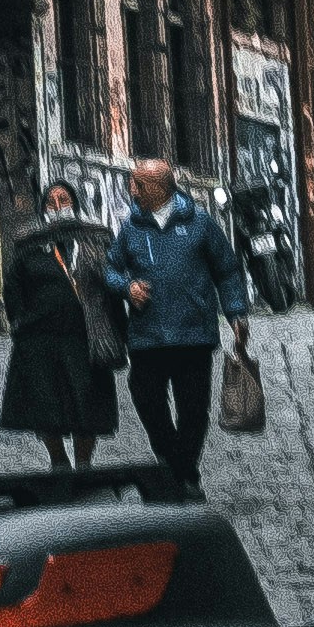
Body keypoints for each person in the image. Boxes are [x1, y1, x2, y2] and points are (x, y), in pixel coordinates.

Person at [103, 146, 249, 491]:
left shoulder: (199, 223)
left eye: (137, 184)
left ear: (158, 188)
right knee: (147, 401)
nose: (132, 191)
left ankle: (182, 474)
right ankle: (173, 464)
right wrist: (126, 287)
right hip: (147, 336)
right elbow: (110, 268)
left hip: (193, 335)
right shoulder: (131, 228)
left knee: (194, 410)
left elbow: (227, 270)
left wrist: (236, 313)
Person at [0, 183, 108, 477]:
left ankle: (84, 465)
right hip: (40, 338)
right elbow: (13, 288)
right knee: (46, 404)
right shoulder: (30, 244)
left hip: (83, 337)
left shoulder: (92, 239)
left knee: (87, 404)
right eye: (51, 201)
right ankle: (59, 462)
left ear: (75, 202)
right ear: (43, 207)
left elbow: (108, 284)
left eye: (64, 198)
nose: (58, 205)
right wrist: (20, 323)